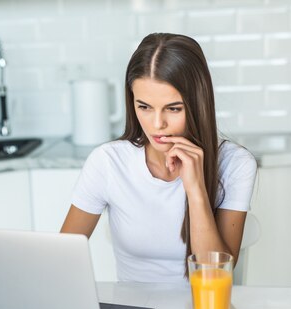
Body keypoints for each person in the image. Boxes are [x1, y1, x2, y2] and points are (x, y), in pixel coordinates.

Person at [60, 33, 257, 283]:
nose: (157, 124)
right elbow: (61, 260)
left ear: (198, 103)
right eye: (144, 107)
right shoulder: (108, 162)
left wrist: (195, 190)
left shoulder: (235, 164)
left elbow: (215, 279)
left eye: (173, 108)